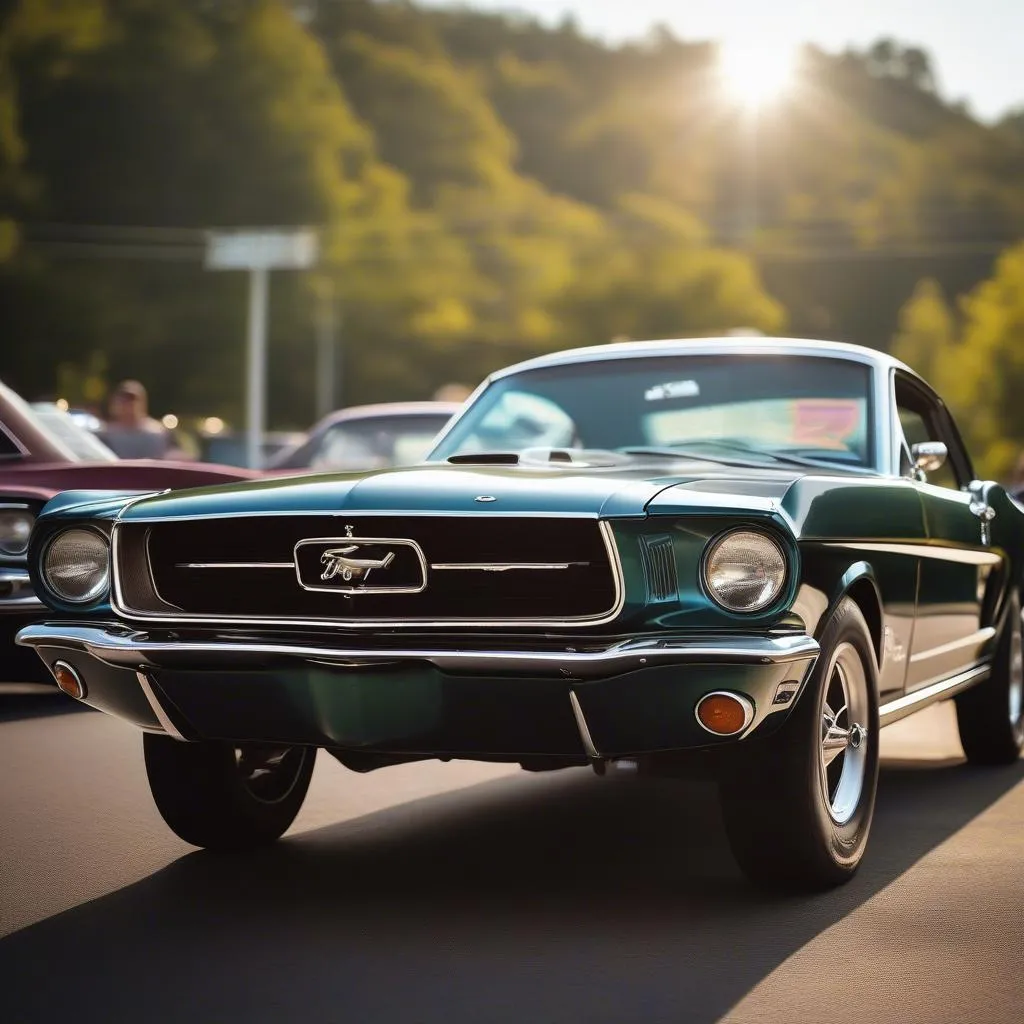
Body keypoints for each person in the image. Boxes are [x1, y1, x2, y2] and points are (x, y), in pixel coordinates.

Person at [98, 380, 171, 460]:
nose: (128, 405)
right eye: (124, 400)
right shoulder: (106, 434)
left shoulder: (158, 433)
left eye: (133, 400)